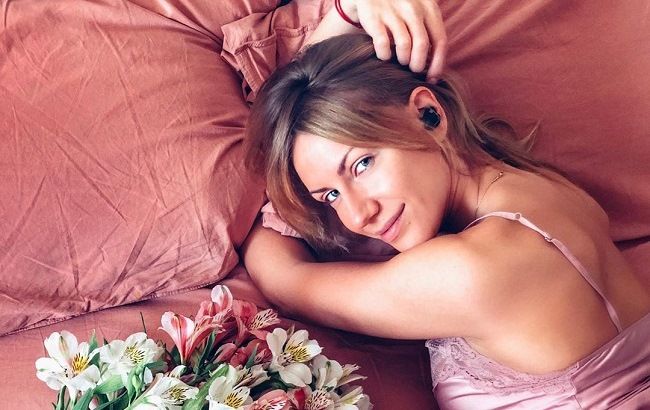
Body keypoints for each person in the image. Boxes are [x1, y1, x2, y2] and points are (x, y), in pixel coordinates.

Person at [240, 2, 650, 409]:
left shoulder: (467, 272)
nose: (358, 215)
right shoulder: (546, 186)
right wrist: (346, 14)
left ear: (428, 114)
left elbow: (288, 283)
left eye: (362, 165)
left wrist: (254, 205)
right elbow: (297, 109)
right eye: (330, 196)